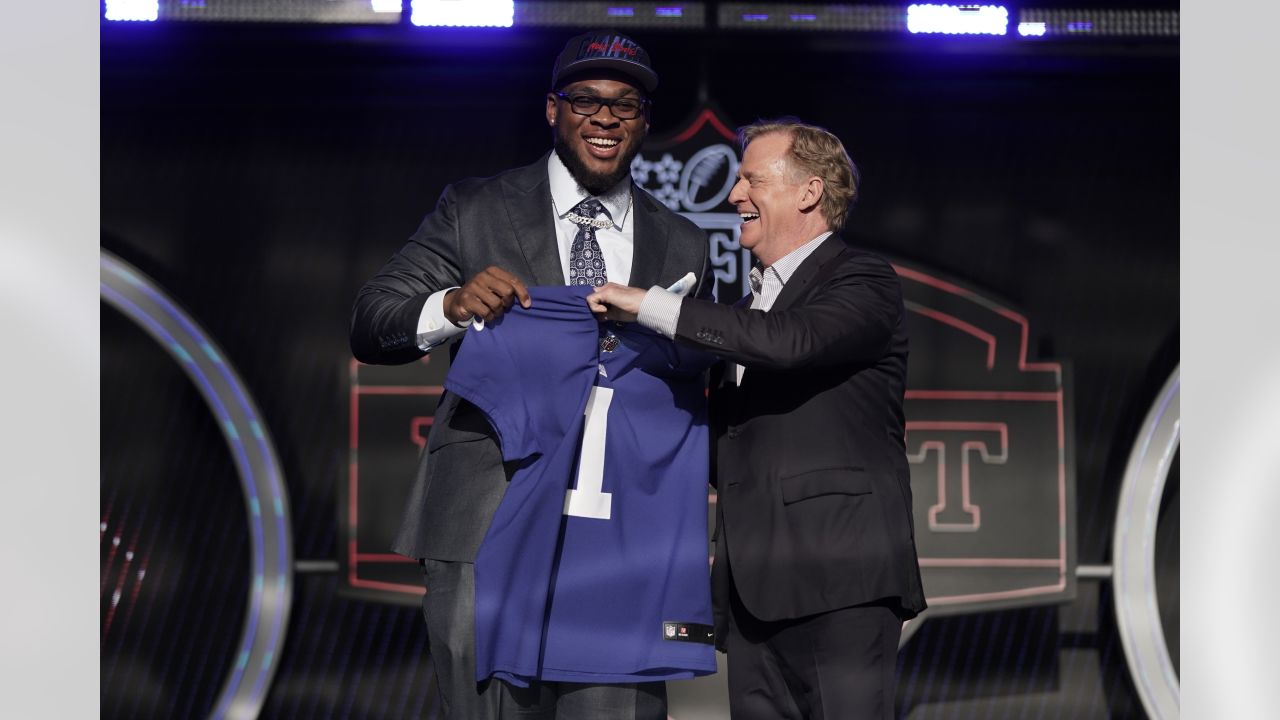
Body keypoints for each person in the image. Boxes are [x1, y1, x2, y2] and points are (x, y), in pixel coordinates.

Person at [349, 30, 715, 720]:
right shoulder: (475, 208)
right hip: (488, 511)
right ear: (552, 110)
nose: (606, 118)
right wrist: (451, 306)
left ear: (643, 121)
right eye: (586, 100)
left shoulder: (685, 241)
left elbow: (703, 375)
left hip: (621, 531)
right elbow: (372, 322)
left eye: (626, 105)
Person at [587, 118, 927, 719]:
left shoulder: (863, 279)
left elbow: (790, 341)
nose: (734, 195)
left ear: (809, 192)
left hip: (840, 581)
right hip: (752, 590)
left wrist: (651, 304)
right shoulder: (744, 309)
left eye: (751, 180)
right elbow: (732, 445)